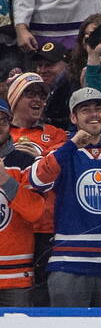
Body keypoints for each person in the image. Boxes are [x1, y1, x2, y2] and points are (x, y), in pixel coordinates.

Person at [29, 87, 101, 306]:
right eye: (85, 110)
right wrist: (72, 145)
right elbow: (36, 181)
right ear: (73, 117)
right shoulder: (60, 152)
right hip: (69, 264)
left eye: (98, 108)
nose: (94, 114)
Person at [0, 99, 46, 307]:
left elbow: (35, 212)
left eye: (2, 120)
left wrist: (5, 179)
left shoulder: (24, 161)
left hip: (16, 277)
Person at [32, 42, 73, 130]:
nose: (42, 70)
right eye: (40, 65)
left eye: (49, 65)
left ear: (67, 65)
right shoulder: (31, 90)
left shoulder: (73, 91)